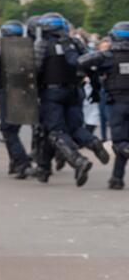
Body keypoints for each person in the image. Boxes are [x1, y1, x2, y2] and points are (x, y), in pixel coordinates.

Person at [33, 13, 107, 185]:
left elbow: (35, 69)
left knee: (55, 132)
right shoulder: (75, 43)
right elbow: (89, 65)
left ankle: (77, 160)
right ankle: (93, 142)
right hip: (74, 91)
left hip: (51, 93)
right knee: (74, 128)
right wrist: (96, 88)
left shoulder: (43, 44)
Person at [0, 20, 40, 179]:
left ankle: (22, 163)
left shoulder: (3, 49)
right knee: (14, 128)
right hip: (26, 91)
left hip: (7, 91)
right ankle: (15, 163)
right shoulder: (29, 47)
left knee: (7, 129)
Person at [79, 20, 129, 190]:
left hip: (117, 102)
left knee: (119, 142)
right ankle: (117, 178)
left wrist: (94, 72)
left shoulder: (108, 56)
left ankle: (117, 178)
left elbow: (81, 61)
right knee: (124, 141)